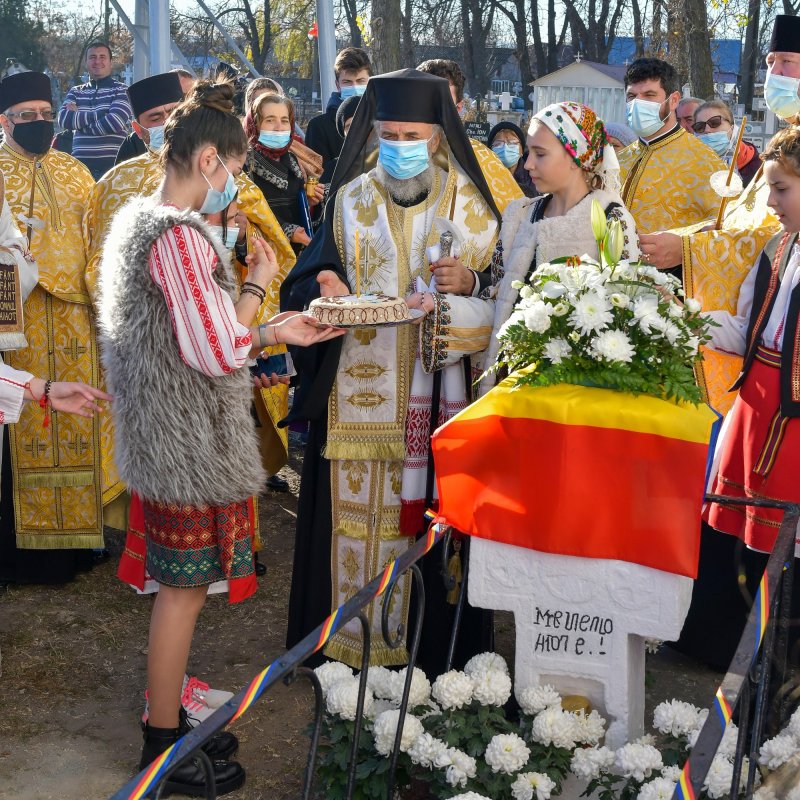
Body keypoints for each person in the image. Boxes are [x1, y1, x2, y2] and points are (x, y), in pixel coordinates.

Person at [97, 80, 343, 796]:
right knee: (183, 592)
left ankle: (167, 705)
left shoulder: (143, 220)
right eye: (232, 166)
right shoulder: (175, 237)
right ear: (208, 160)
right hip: (187, 439)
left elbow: (211, 334)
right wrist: (269, 307)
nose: (234, 180)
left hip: (170, 429)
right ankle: (161, 742)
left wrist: (250, 288)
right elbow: (221, 349)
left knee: (185, 588)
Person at [282, 69, 502, 674]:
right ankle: (351, 658)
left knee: (428, 534)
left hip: (439, 408)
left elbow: (510, 292)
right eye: (389, 133)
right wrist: (322, 281)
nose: (400, 145)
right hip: (357, 400)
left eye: (413, 134)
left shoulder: (476, 206)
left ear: (438, 136)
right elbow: (305, 277)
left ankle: (432, 661)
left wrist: (472, 282)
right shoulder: (350, 199)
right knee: (355, 529)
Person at [676, 126, 800, 670]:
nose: (769, 202)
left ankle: (776, 666)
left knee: (782, 548)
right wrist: (680, 316)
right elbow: (749, 331)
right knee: (731, 536)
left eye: (781, 190)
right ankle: (718, 649)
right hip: (753, 404)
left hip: (791, 419)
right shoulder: (778, 246)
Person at [636, 15, 799, 416]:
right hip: (749, 337)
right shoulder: (788, 140)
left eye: (787, 63)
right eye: (769, 62)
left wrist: (688, 248)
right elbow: (743, 219)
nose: (774, 74)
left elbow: (768, 232)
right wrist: (696, 235)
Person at [0, 70, 121, 586]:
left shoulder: (75, 172)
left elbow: (98, 242)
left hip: (72, 315)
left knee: (77, 421)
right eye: (26, 116)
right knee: (17, 422)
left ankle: (75, 544)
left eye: (46, 115)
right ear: (4, 121)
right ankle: (13, 550)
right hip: (14, 319)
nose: (38, 123)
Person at [478, 102, 641, 393]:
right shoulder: (519, 214)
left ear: (576, 157)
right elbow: (499, 296)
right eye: (529, 153)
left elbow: (623, 310)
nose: (528, 164)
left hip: (575, 390)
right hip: (511, 383)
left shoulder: (609, 218)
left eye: (540, 154)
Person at [618, 58, 725, 245]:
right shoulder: (619, 160)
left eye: (649, 95)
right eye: (632, 96)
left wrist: (682, 248)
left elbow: (726, 229)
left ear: (673, 100)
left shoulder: (705, 162)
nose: (638, 104)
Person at [417, 58, 524, 216]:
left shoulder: (484, 160)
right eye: (425, 100)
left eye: (443, 103)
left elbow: (514, 218)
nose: (432, 110)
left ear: (458, 108)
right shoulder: (393, 152)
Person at [245, 92, 324, 252]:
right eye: (270, 120)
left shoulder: (293, 160)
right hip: (263, 255)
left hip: (296, 254)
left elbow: (294, 207)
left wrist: (308, 201)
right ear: (255, 125)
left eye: (284, 121)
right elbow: (247, 214)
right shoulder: (245, 165)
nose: (279, 127)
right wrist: (287, 230)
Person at [57, 41, 133, 180]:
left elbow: (113, 123)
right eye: (92, 57)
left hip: (114, 170)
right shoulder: (76, 91)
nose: (97, 61)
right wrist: (101, 114)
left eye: (102, 57)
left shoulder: (122, 90)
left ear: (110, 62)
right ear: (86, 62)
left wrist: (79, 123)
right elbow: (64, 119)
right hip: (80, 170)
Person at [305, 47, 371, 169]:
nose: (355, 87)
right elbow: (317, 175)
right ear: (338, 85)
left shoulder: (383, 121)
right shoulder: (318, 127)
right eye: (347, 82)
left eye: (361, 81)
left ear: (370, 82)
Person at [114, 72, 184, 166]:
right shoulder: (125, 174)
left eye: (176, 113)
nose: (169, 122)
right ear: (138, 130)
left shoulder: (207, 161)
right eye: (156, 119)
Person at [692, 99, 761, 187]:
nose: (707, 130)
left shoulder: (759, 167)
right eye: (700, 127)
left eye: (715, 122)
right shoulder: (689, 168)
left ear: (732, 128)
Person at [487, 120, 537, 197]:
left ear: (521, 151)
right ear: (491, 149)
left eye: (512, 143)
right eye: (498, 144)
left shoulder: (533, 174)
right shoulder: (485, 175)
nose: (505, 148)